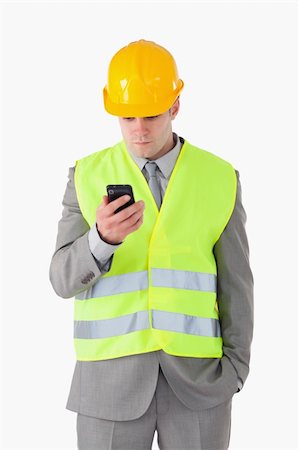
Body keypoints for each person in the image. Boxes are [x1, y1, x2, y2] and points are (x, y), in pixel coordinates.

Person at [49, 39, 254, 450]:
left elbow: (237, 284)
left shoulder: (218, 177)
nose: (139, 129)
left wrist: (236, 370)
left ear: (175, 107)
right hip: (107, 386)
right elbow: (60, 279)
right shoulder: (86, 175)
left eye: (152, 115)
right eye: (127, 117)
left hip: (200, 386)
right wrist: (100, 240)